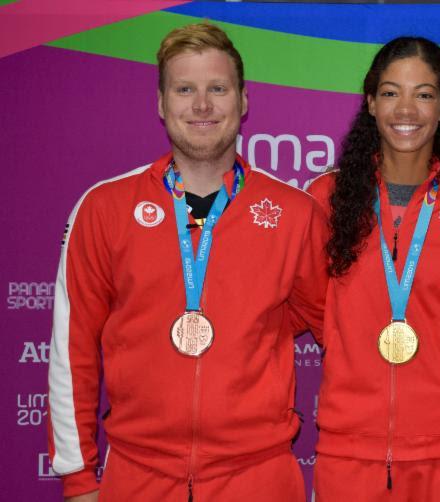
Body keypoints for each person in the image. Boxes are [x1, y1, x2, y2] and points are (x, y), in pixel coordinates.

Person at [47, 23, 326, 501]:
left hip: (258, 477)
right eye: (185, 89)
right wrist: (77, 478)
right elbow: (71, 350)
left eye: (217, 88)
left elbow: (339, 326)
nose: (202, 105)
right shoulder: (105, 208)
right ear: (160, 103)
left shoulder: (294, 214)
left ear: (243, 101)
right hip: (138, 476)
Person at [306, 37, 440, 501]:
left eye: (424, 94)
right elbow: (314, 305)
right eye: (391, 93)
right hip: (350, 450)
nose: (405, 109)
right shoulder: (326, 199)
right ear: (370, 103)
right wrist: (350, 342)